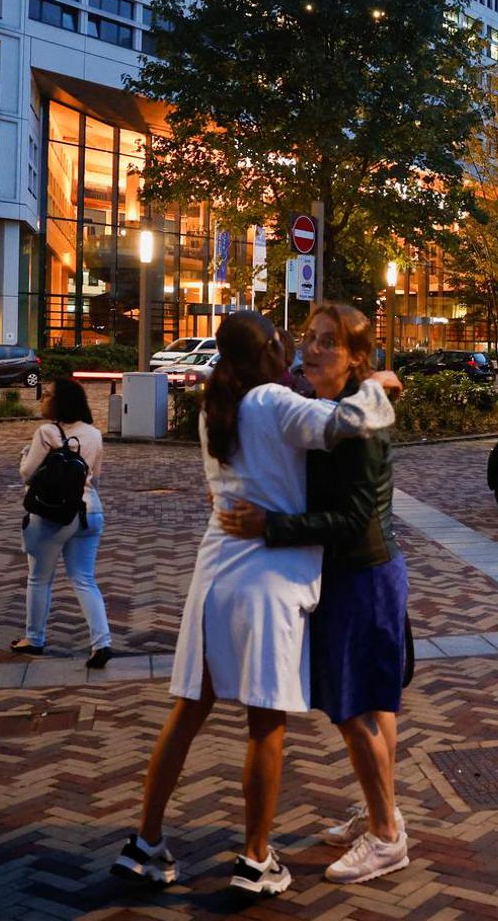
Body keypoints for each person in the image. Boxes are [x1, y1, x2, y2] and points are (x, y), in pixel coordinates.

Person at [112, 310, 399, 897]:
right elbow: (352, 418)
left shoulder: (215, 404)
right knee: (265, 724)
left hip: (215, 567)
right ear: (269, 348)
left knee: (188, 709)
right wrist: (378, 383)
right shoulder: (272, 401)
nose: (298, 347)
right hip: (268, 575)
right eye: (289, 339)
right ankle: (256, 857)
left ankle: (146, 841)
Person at [217, 304, 411, 885]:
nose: (314, 348)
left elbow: (352, 519)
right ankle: (384, 813)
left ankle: (386, 836)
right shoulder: (342, 409)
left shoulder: (357, 429)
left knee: (355, 712)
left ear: (355, 357)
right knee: (372, 704)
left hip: (362, 573)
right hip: (360, 572)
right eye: (310, 338)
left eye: (330, 342)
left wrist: (270, 527)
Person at [12, 378, 113, 668]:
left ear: (61, 402)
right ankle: (101, 642)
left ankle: (34, 638)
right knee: (84, 578)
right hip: (90, 512)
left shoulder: (46, 432)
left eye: (48, 395)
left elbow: (27, 474)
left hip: (52, 515)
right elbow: (96, 475)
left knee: (39, 578)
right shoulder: (94, 434)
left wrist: (23, 457)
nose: (43, 399)